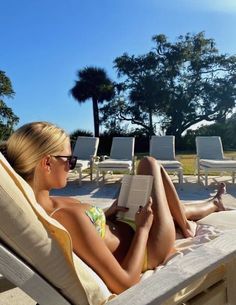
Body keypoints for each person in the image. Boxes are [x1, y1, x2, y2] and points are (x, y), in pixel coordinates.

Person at [2, 121, 226, 294]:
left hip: (123, 223)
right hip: (149, 246)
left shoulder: (46, 206)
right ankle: (188, 226)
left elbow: (90, 235)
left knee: (154, 195)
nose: (71, 166)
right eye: (69, 160)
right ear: (47, 163)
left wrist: (104, 213)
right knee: (149, 163)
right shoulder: (66, 216)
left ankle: (213, 204)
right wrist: (144, 228)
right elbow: (126, 282)